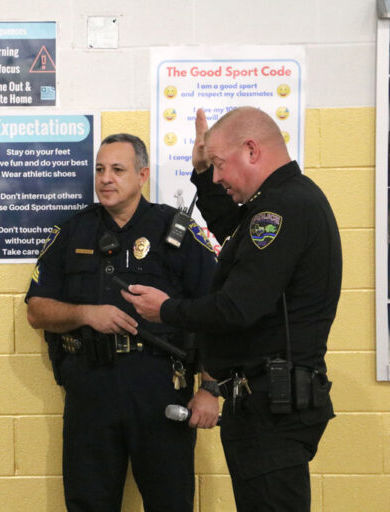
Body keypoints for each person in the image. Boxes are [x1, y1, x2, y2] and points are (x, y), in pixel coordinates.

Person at [123, 107, 341, 511]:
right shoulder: (278, 204)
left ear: (252, 150)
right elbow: (235, 233)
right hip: (264, 406)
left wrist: (167, 310)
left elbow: (237, 308)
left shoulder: (282, 209)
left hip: (272, 410)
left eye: (221, 166)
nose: (219, 177)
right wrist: (203, 172)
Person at [25, 133, 219, 511]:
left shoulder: (175, 230)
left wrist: (210, 388)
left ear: (142, 175)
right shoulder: (70, 233)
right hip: (90, 387)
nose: (105, 179)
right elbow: (36, 310)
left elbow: (212, 311)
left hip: (158, 385)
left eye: (117, 169)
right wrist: (86, 314)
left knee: (170, 501)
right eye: (99, 169)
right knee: (89, 502)